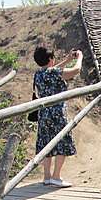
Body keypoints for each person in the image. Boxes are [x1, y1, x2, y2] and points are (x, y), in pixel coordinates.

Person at [32, 45, 83, 187]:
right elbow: (76, 71)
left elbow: (52, 70)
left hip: (43, 114)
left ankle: (47, 176)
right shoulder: (55, 73)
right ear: (50, 59)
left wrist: (66, 60)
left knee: (46, 144)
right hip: (58, 114)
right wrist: (79, 58)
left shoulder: (38, 74)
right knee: (63, 143)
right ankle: (56, 176)